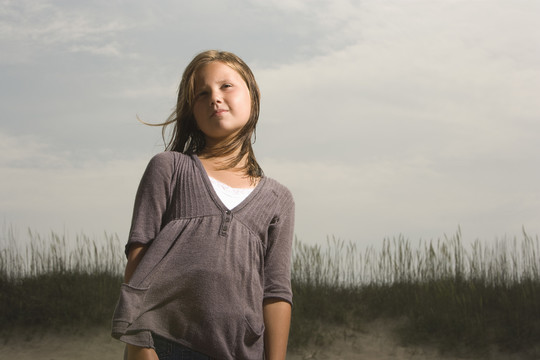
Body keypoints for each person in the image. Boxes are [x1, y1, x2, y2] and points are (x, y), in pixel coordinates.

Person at [111, 50, 295, 360]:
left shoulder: (278, 199)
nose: (215, 97)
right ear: (192, 111)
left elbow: (275, 292)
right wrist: (139, 344)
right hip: (162, 345)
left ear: (253, 94)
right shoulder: (169, 168)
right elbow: (138, 260)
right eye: (202, 93)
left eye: (226, 86)